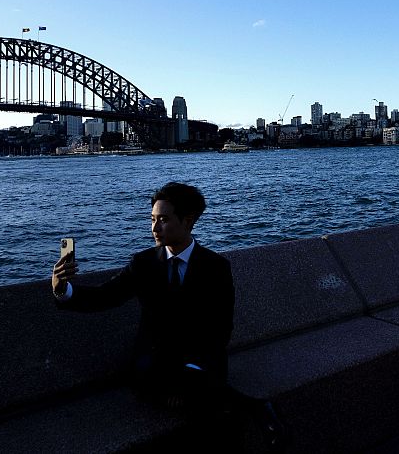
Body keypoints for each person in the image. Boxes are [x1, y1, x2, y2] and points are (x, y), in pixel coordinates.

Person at [51, 182, 283, 449]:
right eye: (152, 219)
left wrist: (190, 369)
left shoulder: (216, 267)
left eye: (163, 220)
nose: (154, 228)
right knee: (201, 400)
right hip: (154, 365)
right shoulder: (143, 264)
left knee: (201, 398)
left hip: (199, 364)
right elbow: (106, 296)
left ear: (187, 221)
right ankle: (255, 408)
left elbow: (221, 329)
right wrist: (63, 290)